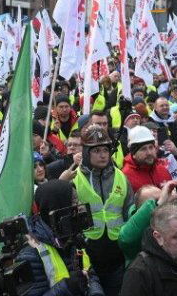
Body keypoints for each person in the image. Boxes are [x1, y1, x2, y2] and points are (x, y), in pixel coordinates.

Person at [68, 125, 131, 296]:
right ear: (87, 153)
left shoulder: (121, 177)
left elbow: (129, 212)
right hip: (88, 256)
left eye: (105, 149)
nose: (103, 154)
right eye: (96, 150)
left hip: (116, 255)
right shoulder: (74, 179)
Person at [17, 180, 103, 296]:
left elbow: (90, 274)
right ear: (58, 208)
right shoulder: (30, 255)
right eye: (74, 202)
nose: (80, 207)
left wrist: (96, 293)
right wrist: (67, 287)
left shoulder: (74, 237)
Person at [121, 125, 171, 191]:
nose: (149, 153)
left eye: (151, 147)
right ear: (133, 154)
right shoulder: (125, 177)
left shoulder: (162, 170)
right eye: (143, 149)